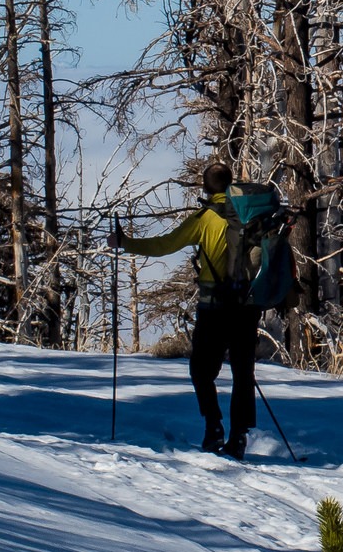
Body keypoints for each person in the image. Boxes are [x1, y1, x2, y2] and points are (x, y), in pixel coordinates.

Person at [109, 161, 260, 459]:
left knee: (201, 371)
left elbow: (165, 245)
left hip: (214, 307)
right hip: (246, 307)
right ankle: (239, 436)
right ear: (231, 185)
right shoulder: (251, 216)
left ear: (205, 188)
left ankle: (214, 425)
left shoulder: (204, 219)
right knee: (243, 373)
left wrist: (124, 242)